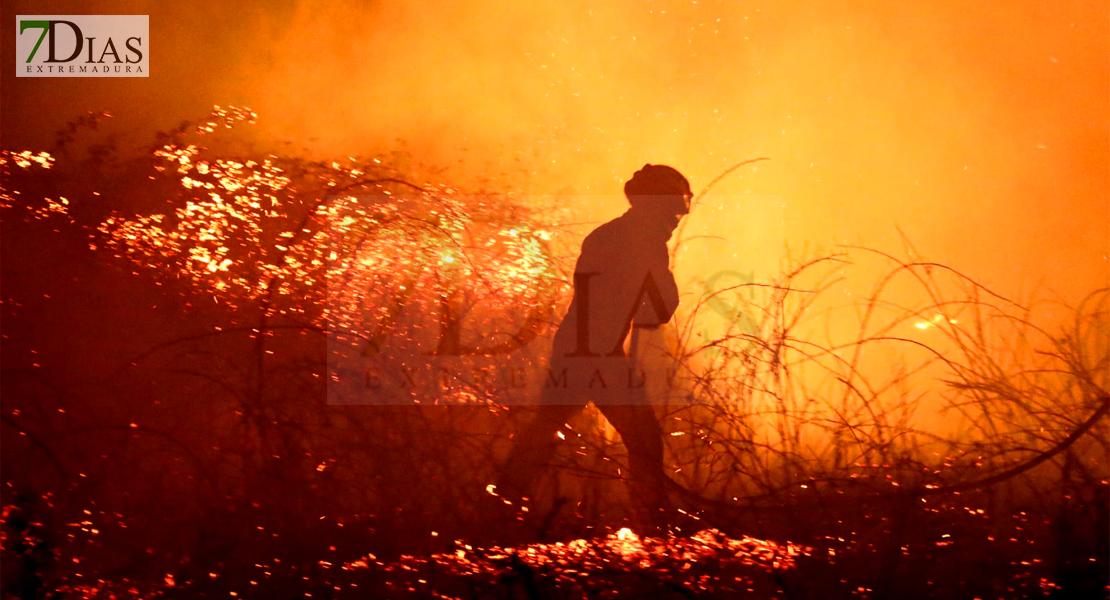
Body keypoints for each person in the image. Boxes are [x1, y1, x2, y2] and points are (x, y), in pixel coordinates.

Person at [497, 164, 692, 526]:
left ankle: (500, 507)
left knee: (547, 428)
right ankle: (652, 522)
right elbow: (659, 309)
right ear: (653, 204)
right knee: (644, 440)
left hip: (582, 347)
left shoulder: (611, 235)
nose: (677, 217)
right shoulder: (642, 241)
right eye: (672, 208)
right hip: (596, 353)